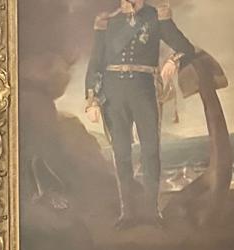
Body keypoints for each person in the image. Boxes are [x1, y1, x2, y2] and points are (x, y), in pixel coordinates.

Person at [84, 1, 200, 227]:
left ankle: (151, 212)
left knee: (150, 150)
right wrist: (92, 101)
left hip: (144, 91)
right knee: (121, 152)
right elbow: (95, 63)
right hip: (113, 93)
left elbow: (185, 47)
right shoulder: (107, 22)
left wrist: (172, 61)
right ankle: (127, 214)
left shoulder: (156, 16)